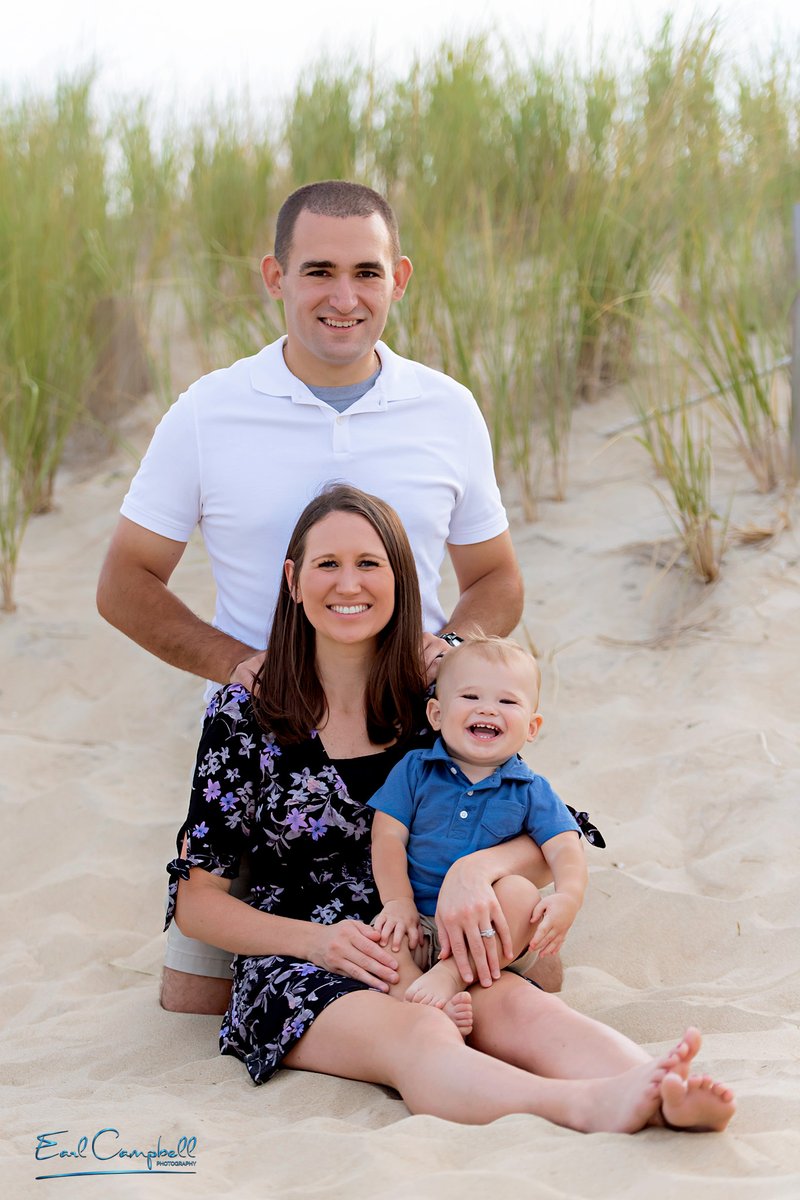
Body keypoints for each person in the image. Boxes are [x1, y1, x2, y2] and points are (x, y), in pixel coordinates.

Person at [167, 483, 736, 1132]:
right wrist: (320, 943)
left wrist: (476, 871)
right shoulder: (247, 711)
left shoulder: (435, 697)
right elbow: (196, 901)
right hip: (301, 958)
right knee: (417, 1036)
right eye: (327, 564)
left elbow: (547, 821)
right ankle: (584, 1106)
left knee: (521, 1009)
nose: (347, 583)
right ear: (294, 581)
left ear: (400, 581)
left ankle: (659, 1087)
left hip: (431, 934)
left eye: (369, 564)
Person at [96, 180, 533, 1014]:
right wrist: (239, 666)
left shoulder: (446, 409)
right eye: (318, 271)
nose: (344, 297)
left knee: (513, 973)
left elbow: (497, 577)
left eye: (367, 272)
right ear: (275, 276)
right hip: (269, 759)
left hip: (416, 748)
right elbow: (123, 583)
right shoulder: (210, 412)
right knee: (193, 1003)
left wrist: (446, 649)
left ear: (399, 278)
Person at [368, 635, 600, 1017]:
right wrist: (398, 903)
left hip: (492, 931)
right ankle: (419, 1004)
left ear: (532, 726)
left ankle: (451, 976)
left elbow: (564, 846)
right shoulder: (414, 769)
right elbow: (388, 836)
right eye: (471, 697)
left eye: (507, 701)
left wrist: (569, 895)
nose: (488, 710)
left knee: (521, 895)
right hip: (421, 922)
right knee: (381, 941)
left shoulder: (530, 789)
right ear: (436, 715)